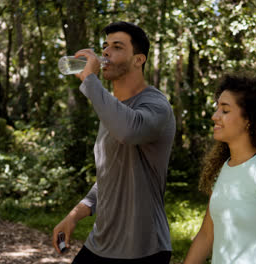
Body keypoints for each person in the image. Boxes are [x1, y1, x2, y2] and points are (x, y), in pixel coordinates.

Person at [52, 21, 175, 264]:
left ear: (139, 60)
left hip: (142, 248)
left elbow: (129, 130)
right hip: (101, 244)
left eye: (117, 47)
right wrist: (74, 216)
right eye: (105, 46)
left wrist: (90, 81)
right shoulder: (111, 108)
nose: (105, 53)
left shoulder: (156, 105)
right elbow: (110, 175)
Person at [184, 73, 256, 264]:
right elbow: (206, 236)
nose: (215, 116)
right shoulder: (226, 169)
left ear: (249, 120)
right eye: (217, 109)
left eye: (225, 110)